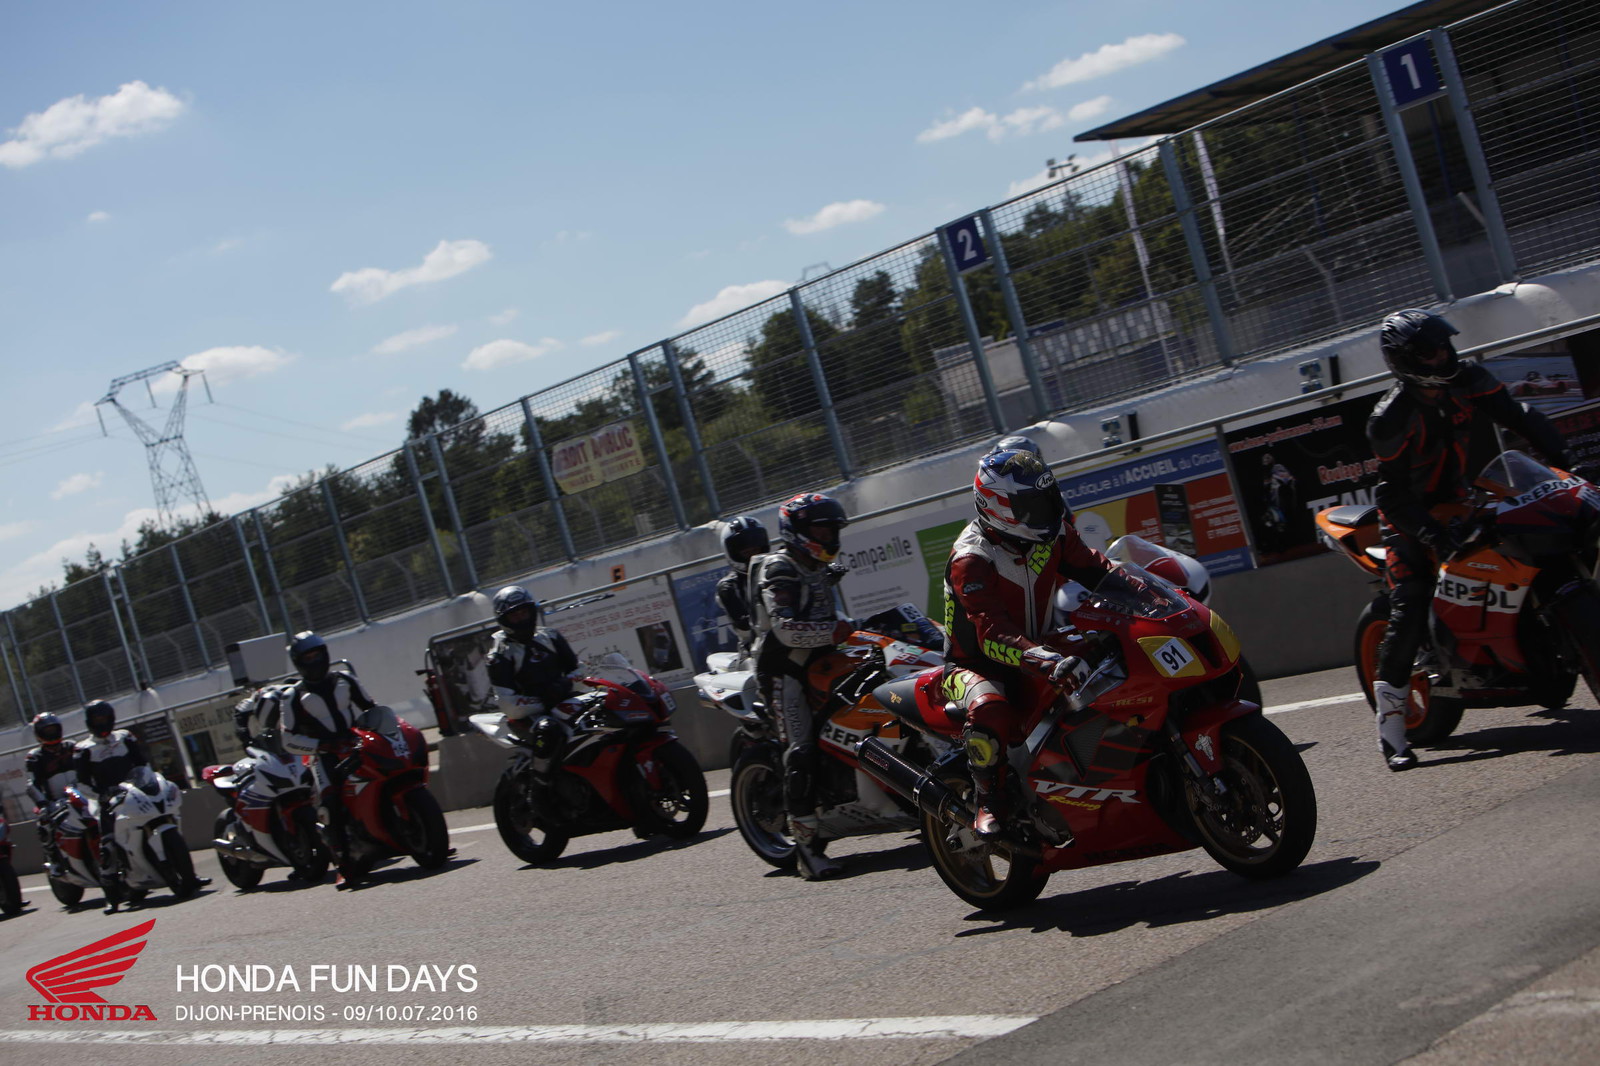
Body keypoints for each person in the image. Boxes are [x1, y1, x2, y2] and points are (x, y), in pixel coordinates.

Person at [1368, 308, 1572, 771]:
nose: (1444, 354)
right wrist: (1432, 534)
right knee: (1410, 603)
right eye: (1431, 350)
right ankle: (1391, 729)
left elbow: (1520, 416)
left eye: (1445, 345)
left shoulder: (1468, 378)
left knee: (1542, 537)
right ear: (1405, 359)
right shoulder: (1389, 418)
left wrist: (1567, 461)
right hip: (1410, 517)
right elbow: (1390, 494)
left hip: (1466, 498)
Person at [943, 449, 1115, 837]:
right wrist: (1046, 659)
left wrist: (1152, 594)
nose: (1046, 510)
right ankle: (989, 798)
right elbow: (991, 634)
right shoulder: (971, 558)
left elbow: (1100, 571)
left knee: (1105, 658)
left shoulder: (1054, 535)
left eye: (1047, 499)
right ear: (998, 507)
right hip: (975, 663)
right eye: (1032, 504)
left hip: (1038, 647)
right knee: (991, 708)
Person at [749, 492, 856, 880]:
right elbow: (785, 628)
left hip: (824, 661)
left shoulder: (817, 564)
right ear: (798, 532)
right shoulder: (779, 568)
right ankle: (807, 852)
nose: (829, 537)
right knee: (801, 751)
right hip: (785, 671)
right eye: (821, 530)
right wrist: (834, 631)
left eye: (832, 530)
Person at [280, 631, 379, 883]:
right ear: (299, 662)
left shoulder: (345, 679)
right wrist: (321, 745)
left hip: (356, 744)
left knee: (390, 769)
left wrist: (381, 728)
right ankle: (344, 865)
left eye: (317, 654)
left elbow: (371, 708)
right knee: (330, 803)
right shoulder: (293, 696)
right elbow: (287, 738)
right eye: (308, 657)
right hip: (323, 755)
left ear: (325, 654)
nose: (314, 661)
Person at [485, 585, 581, 791]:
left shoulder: (551, 637)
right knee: (548, 729)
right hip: (528, 714)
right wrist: (544, 699)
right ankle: (540, 783)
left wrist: (563, 685)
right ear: (504, 620)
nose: (522, 619)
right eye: (515, 615)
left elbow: (579, 670)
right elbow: (508, 704)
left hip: (562, 701)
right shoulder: (500, 655)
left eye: (524, 612)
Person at [71, 700, 152, 913]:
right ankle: (112, 897)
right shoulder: (83, 749)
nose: (102, 722)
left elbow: (142, 763)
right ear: (90, 722)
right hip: (105, 800)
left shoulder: (125, 737)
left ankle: (187, 873)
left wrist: (145, 781)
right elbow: (82, 783)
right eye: (97, 719)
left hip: (134, 792)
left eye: (105, 718)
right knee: (108, 844)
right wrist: (101, 795)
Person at [25, 713, 77, 861]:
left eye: (53, 729)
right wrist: (43, 805)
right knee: (44, 824)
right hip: (55, 803)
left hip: (82, 794)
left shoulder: (71, 746)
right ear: (38, 733)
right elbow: (31, 784)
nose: (51, 733)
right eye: (47, 731)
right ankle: (53, 859)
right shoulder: (35, 756)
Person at [716, 516, 770, 656]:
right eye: (746, 552)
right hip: (755, 649)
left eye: (756, 548)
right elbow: (745, 627)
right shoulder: (728, 587)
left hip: (792, 634)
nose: (753, 554)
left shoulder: (779, 569)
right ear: (732, 553)